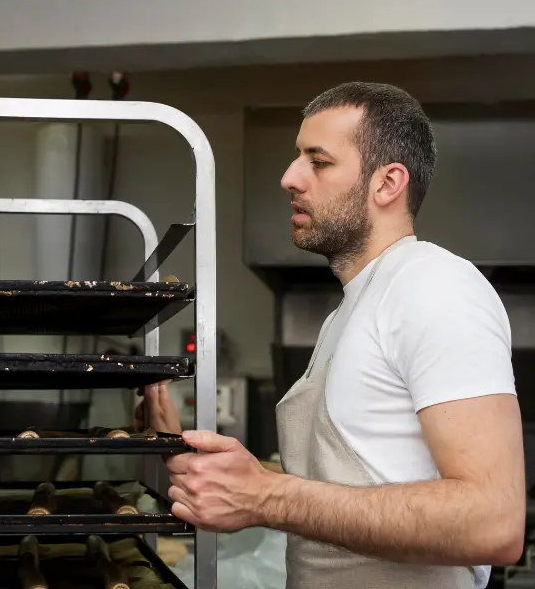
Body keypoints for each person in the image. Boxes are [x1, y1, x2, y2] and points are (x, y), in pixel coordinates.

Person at [137, 82, 526, 588]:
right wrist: (203, 464)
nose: (289, 178)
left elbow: (492, 521)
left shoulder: (433, 285)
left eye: (317, 162)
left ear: (387, 184)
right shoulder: (352, 308)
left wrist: (266, 498)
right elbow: (351, 487)